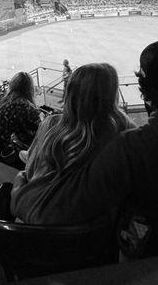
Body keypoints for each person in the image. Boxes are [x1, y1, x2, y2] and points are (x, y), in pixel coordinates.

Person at [11, 41, 158, 225]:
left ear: (145, 90)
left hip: (154, 255)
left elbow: (51, 212)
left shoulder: (132, 146)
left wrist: (21, 184)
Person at [11, 63, 136, 223]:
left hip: (33, 220)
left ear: (71, 91)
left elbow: (30, 171)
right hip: (93, 229)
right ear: (111, 94)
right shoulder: (127, 132)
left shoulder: (51, 124)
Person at [0, 72, 41, 146]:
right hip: (3, 148)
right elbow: (39, 128)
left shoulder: (1, 98)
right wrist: (42, 118)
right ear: (30, 88)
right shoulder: (25, 106)